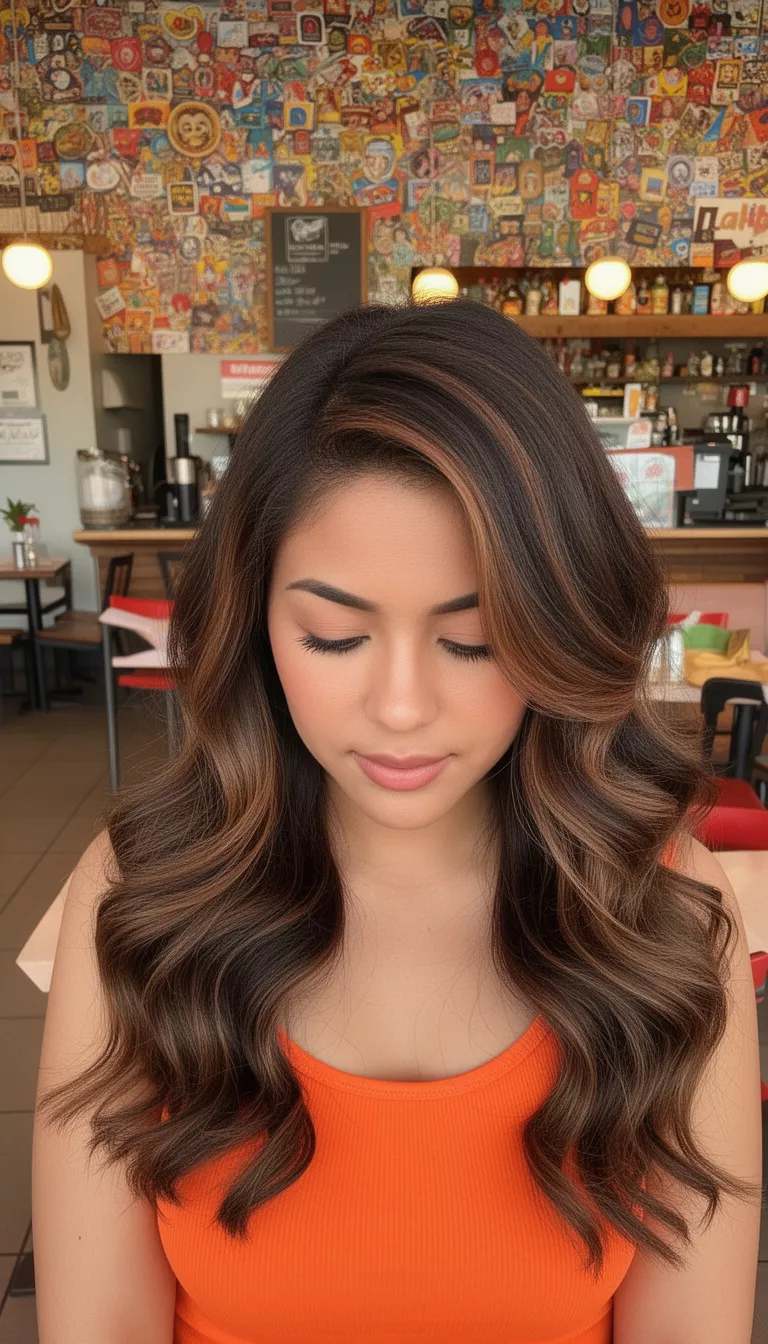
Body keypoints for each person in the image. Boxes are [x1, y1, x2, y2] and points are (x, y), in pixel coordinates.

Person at [32, 299, 762, 1344]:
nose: (404, 708)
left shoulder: (667, 913)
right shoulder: (145, 891)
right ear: (257, 620)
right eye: (334, 636)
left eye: (475, 642)